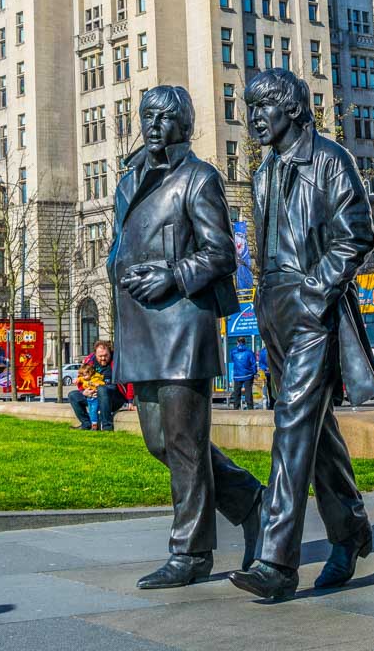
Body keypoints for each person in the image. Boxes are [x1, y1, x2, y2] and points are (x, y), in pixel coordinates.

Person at [230, 69, 374, 602]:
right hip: (272, 308)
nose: (254, 118)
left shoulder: (330, 160)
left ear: (293, 109)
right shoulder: (265, 171)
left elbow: (355, 233)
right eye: (249, 108)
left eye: (263, 107)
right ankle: (351, 529)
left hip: (311, 307)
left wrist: (314, 291)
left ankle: (276, 561)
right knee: (313, 431)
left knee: (293, 427)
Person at [108, 84, 264, 589]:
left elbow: (222, 253)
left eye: (163, 117)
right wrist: (116, 265)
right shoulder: (128, 180)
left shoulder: (198, 179)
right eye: (146, 115)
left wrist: (174, 274)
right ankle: (251, 501)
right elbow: (122, 240)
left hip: (181, 323)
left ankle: (191, 553)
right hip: (139, 325)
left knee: (184, 441)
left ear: (184, 124)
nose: (153, 125)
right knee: (161, 442)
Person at [68, 341, 126, 431]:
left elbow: (129, 381)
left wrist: (130, 400)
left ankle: (107, 426)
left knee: (102, 389)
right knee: (73, 395)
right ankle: (86, 424)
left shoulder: (118, 359)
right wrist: (84, 391)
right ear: (95, 354)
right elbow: (82, 377)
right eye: (100, 356)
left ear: (110, 352)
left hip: (114, 397)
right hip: (94, 396)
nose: (103, 358)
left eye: (106, 355)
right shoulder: (89, 360)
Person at [230, 337, 256, 410]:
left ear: (237, 342)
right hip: (248, 375)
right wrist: (254, 372)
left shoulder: (233, 351)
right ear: (245, 342)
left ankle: (236, 408)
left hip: (237, 375)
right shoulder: (249, 351)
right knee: (248, 392)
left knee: (237, 393)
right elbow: (253, 364)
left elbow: (233, 360)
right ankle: (250, 408)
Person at [258, 345, 275, 410]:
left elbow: (261, 363)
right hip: (272, 373)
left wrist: (265, 368)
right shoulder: (274, 349)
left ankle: (271, 404)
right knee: (271, 389)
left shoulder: (262, 351)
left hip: (267, 373)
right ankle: (272, 404)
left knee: (269, 389)